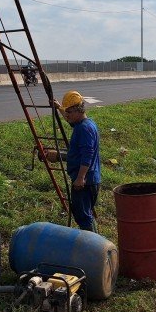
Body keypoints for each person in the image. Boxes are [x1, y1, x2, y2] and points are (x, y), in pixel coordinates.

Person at [54, 90, 101, 232]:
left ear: (78, 110)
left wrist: (80, 178)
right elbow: (70, 121)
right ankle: (95, 242)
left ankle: (93, 247)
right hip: (89, 178)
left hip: (85, 180)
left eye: (69, 112)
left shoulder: (84, 129)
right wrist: (59, 108)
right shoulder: (84, 124)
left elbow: (87, 155)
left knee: (83, 216)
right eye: (65, 112)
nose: (66, 116)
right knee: (85, 213)